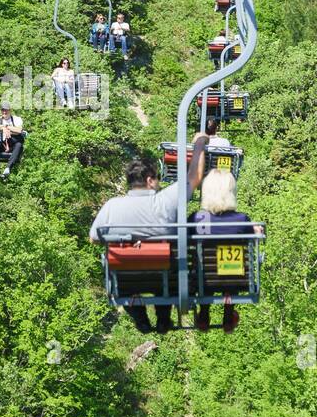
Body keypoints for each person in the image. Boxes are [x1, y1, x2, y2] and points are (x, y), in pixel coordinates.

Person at [90, 133, 212, 333]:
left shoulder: (113, 206)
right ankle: (163, 317)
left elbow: (93, 237)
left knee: (123, 274)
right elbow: (194, 177)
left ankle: (140, 318)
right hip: (164, 277)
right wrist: (199, 144)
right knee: (166, 270)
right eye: (157, 178)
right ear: (149, 180)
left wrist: (130, 243)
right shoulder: (166, 200)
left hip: (126, 280)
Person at [189, 170, 263, 332]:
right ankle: (228, 314)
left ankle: (204, 313)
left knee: (204, 267)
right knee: (232, 267)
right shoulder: (242, 220)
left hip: (203, 281)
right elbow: (253, 237)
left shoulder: (198, 219)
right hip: (235, 279)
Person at [0, 102, 26, 177]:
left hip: (13, 143)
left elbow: (19, 130)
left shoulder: (16, 119)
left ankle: (8, 167)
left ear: (10, 111)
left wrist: (8, 128)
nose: (4, 112)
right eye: (3, 110)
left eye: (6, 110)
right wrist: (3, 128)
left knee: (19, 145)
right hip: (2, 143)